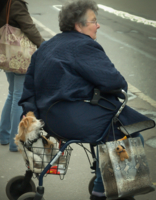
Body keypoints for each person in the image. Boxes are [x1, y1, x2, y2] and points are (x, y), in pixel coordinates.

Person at [18, 0, 155, 199]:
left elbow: (29, 88)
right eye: (93, 21)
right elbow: (114, 82)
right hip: (75, 119)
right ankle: (107, 190)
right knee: (128, 134)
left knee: (111, 131)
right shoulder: (84, 46)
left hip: (49, 119)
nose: (97, 25)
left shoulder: (48, 46)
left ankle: (111, 184)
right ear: (78, 25)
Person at [0, 0, 44, 152]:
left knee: (12, 94)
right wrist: (44, 45)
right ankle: (15, 142)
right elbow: (29, 28)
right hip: (21, 56)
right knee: (18, 97)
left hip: (7, 53)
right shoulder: (15, 4)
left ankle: (4, 135)